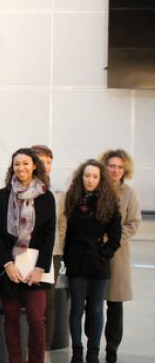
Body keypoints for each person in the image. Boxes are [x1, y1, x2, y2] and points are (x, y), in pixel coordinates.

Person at [0, 148, 55, 363]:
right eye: (17, 164)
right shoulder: (1, 196)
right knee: (11, 318)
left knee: (37, 319)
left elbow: (49, 236)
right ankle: (15, 360)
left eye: (26, 163)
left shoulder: (46, 196)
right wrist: (7, 264)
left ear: (34, 165)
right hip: (10, 267)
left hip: (36, 268)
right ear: (12, 167)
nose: (21, 168)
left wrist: (39, 268)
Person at [63, 159, 121, 363]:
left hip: (99, 264)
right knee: (77, 309)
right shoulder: (72, 199)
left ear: (101, 179)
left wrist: (103, 253)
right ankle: (77, 351)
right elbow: (66, 232)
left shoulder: (110, 202)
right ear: (81, 177)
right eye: (87, 175)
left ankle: (93, 352)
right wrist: (68, 257)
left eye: (95, 176)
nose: (90, 180)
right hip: (76, 263)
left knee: (96, 309)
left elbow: (115, 237)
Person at [99, 149, 141, 363]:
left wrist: (113, 238)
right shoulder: (95, 187)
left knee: (115, 305)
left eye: (120, 167)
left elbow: (133, 223)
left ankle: (112, 350)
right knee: (92, 304)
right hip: (93, 254)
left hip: (117, 255)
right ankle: (90, 347)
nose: (115, 170)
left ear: (125, 170)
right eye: (112, 166)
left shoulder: (129, 194)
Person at [30, 144, 65, 358]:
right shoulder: (22, 187)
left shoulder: (58, 192)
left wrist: (59, 248)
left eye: (49, 162)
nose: (46, 166)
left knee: (48, 302)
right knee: (30, 303)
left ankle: (45, 348)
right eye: (42, 161)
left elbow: (62, 224)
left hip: (52, 252)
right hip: (26, 251)